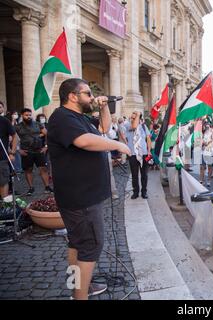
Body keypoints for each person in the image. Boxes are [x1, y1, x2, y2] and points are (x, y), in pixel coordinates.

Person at [48, 78, 131, 300]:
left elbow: (103, 128)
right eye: (87, 93)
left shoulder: (79, 117)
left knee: (77, 243)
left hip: (82, 195)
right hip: (81, 197)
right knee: (91, 245)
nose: (91, 97)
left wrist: (104, 107)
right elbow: (84, 141)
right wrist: (117, 145)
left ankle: (77, 287)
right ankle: (79, 296)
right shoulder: (62, 117)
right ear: (73, 96)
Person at [15, 108, 53, 195]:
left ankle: (47, 187)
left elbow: (47, 134)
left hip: (39, 150)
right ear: (22, 115)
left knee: (43, 168)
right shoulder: (18, 126)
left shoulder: (37, 124)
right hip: (26, 152)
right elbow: (12, 138)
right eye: (26, 115)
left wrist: (46, 146)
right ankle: (31, 188)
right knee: (28, 170)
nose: (28, 117)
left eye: (30, 115)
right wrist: (18, 150)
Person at [124, 111, 151, 199]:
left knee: (144, 175)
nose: (132, 119)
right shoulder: (128, 125)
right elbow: (134, 126)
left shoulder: (143, 126)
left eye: (134, 118)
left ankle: (144, 192)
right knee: (134, 174)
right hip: (133, 154)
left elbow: (148, 138)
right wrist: (137, 115)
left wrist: (149, 150)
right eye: (131, 118)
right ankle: (135, 191)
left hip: (143, 153)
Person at [0, 108, 18, 198]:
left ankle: (5, 206)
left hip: (1, 158)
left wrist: (12, 153)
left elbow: (15, 137)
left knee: (3, 182)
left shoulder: (4, 121)